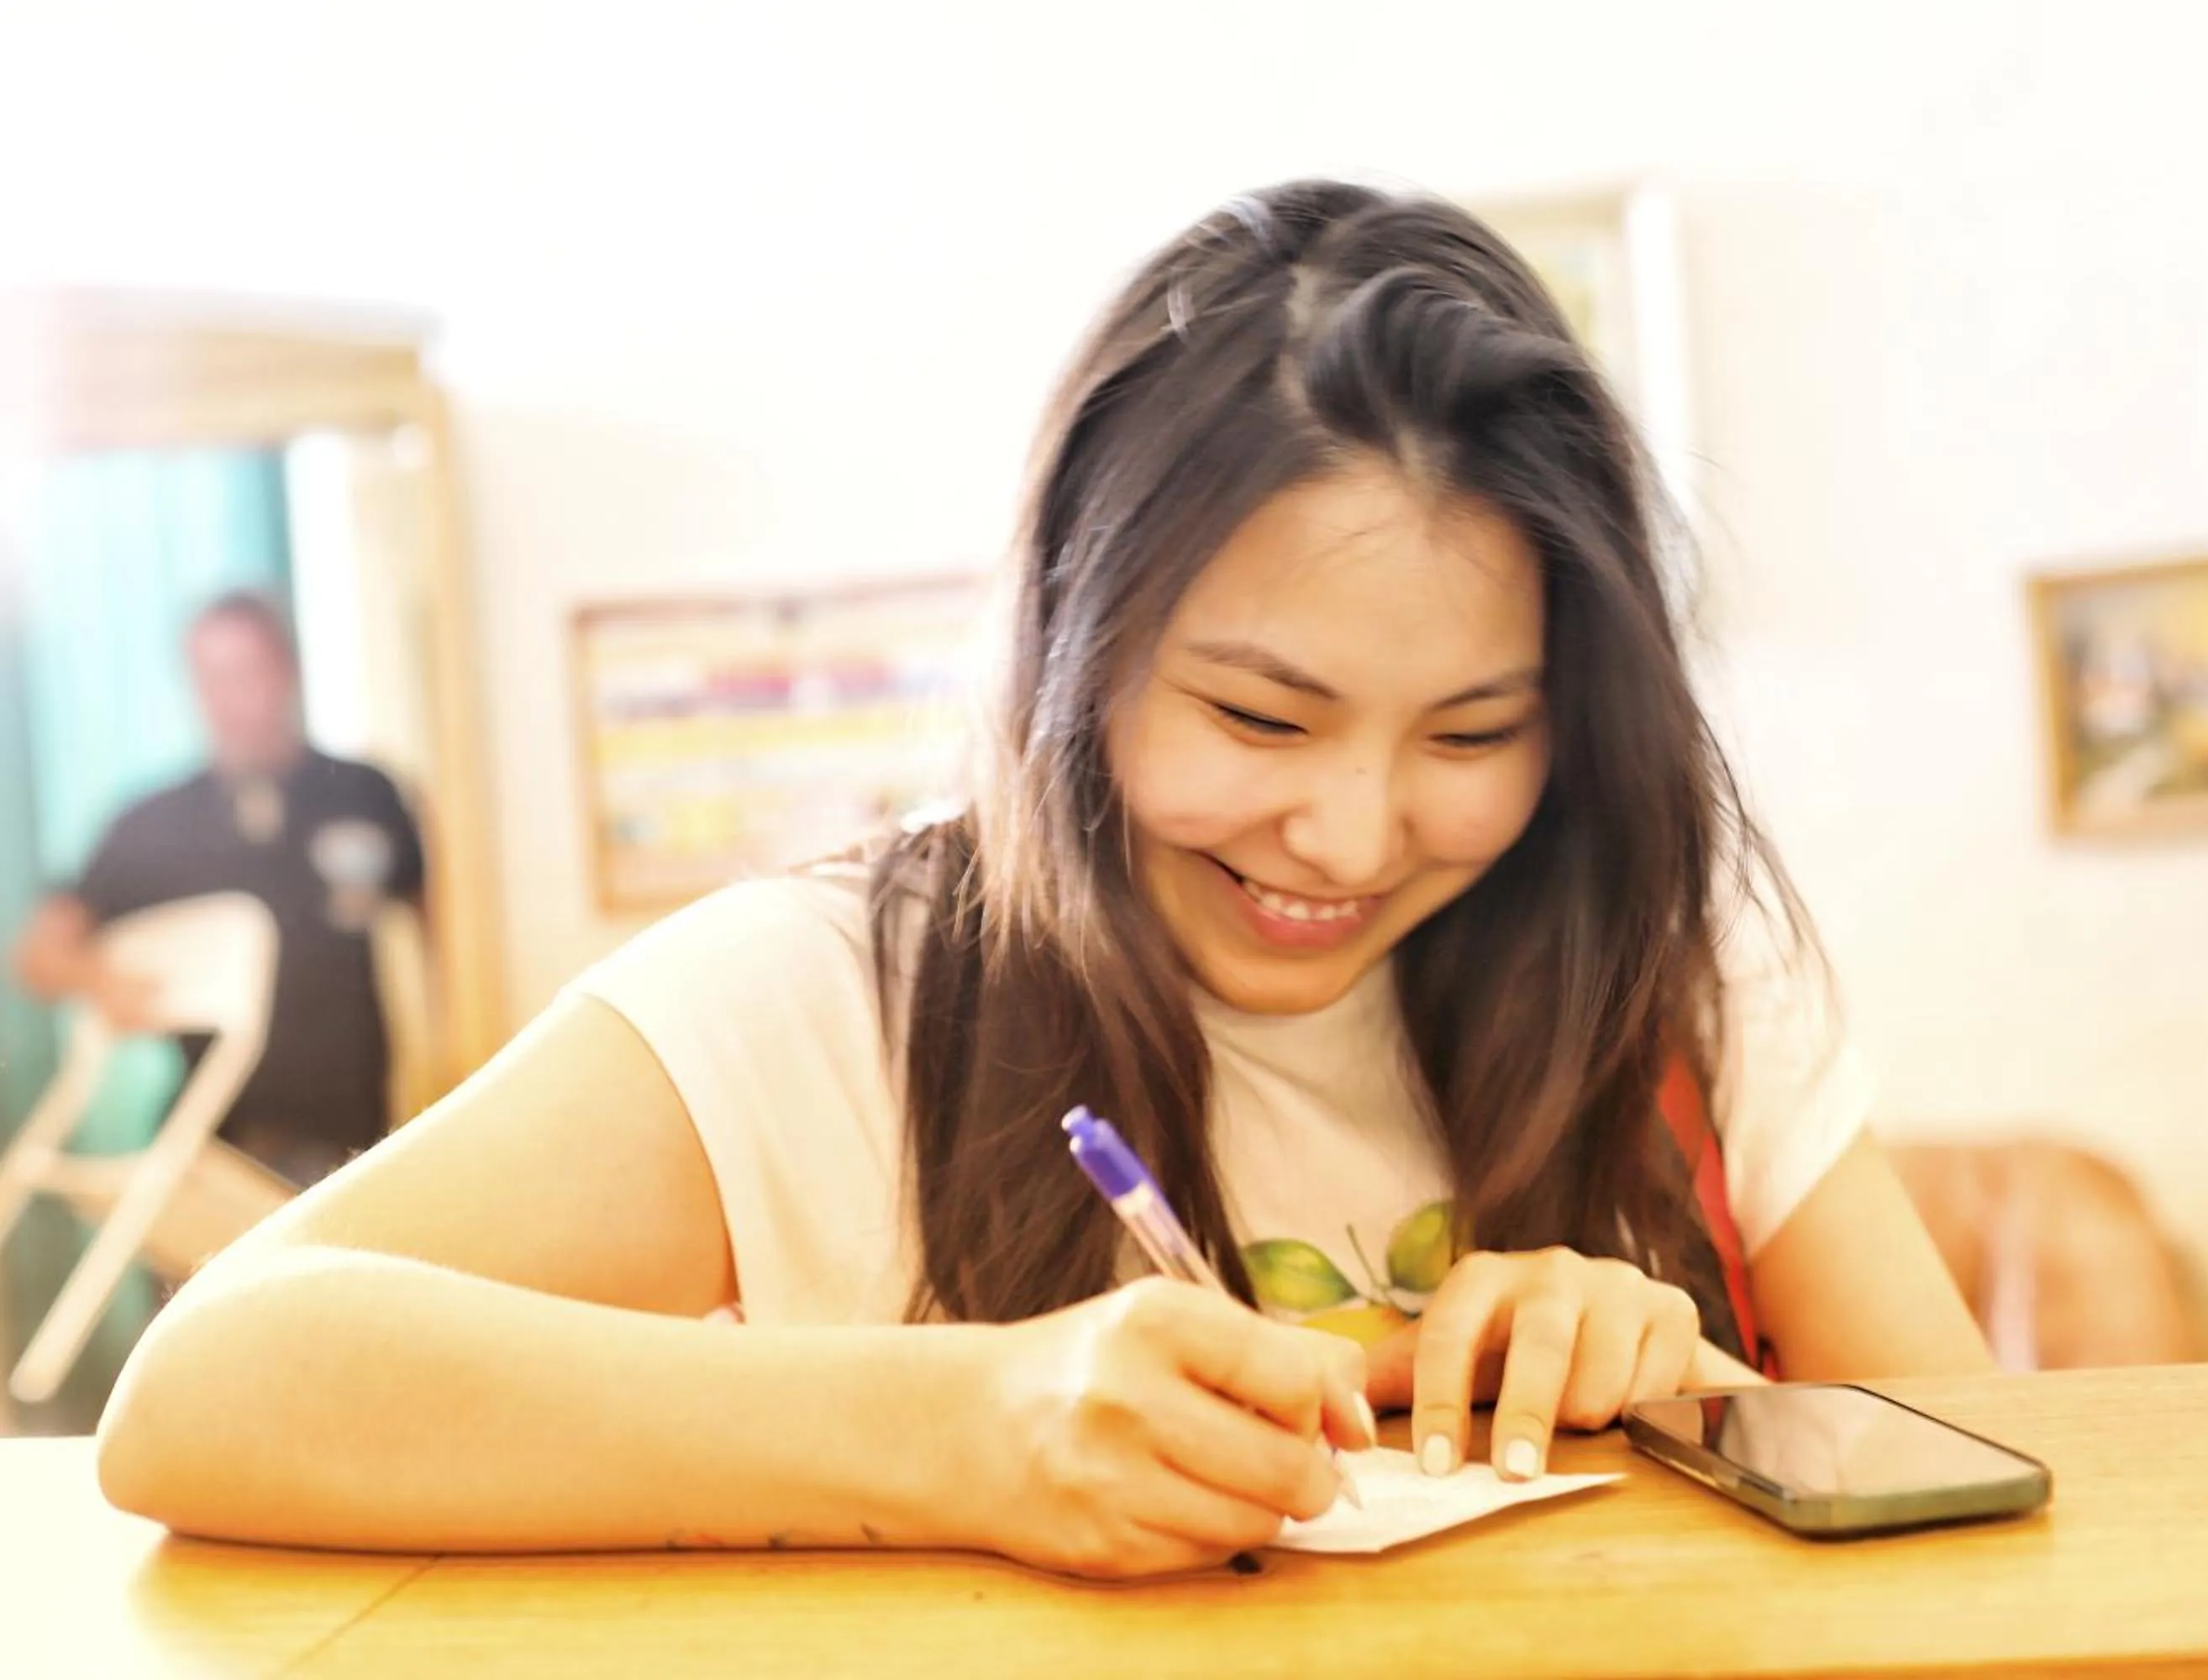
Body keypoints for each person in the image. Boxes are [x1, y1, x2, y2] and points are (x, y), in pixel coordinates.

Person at [94, 181, 1990, 1579]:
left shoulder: (1667, 951)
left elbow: (1996, 1491)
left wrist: (1691, 1388)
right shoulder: (844, 993)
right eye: (1260, 718)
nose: (1348, 833)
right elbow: (215, 1381)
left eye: (1474, 735)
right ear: (1079, 646)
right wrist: (964, 1421)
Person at [11, 591, 428, 1186]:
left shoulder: (365, 793)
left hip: (355, 1148)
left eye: (248, 672)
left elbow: (444, 928)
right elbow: (39, 955)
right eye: (213, 677)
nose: (234, 698)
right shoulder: (151, 827)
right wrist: (103, 980)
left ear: (288, 669)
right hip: (214, 1153)